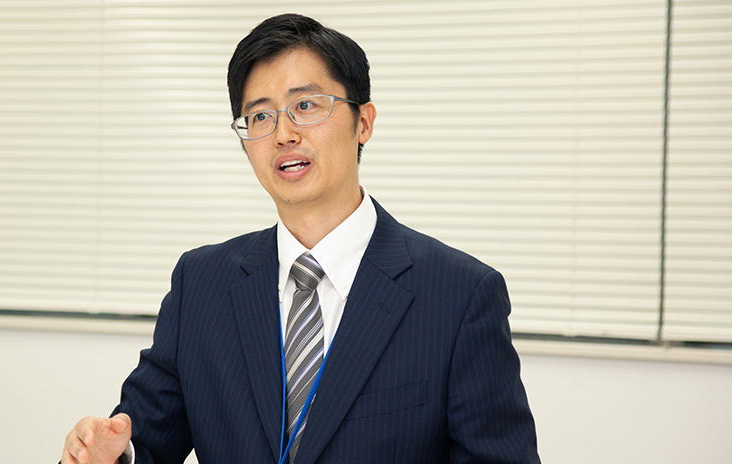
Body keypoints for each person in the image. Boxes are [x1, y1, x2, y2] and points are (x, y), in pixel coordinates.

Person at [61, 13, 539, 464]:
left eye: (306, 106)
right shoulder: (200, 284)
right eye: (260, 117)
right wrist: (107, 455)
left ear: (363, 123)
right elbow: (142, 443)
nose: (283, 134)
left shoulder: (459, 294)